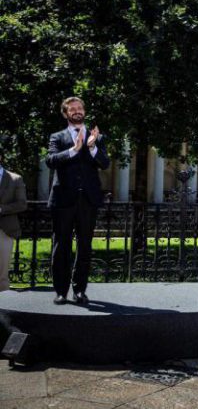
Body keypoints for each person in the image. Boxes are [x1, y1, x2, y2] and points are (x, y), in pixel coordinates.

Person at [46, 97, 110, 305]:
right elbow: (51, 160)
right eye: (72, 109)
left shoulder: (97, 138)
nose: (77, 111)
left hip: (88, 200)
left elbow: (105, 163)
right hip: (63, 199)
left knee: (85, 247)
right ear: (65, 114)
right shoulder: (57, 137)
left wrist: (91, 148)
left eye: (80, 108)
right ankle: (61, 291)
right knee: (61, 246)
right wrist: (74, 149)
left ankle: (80, 290)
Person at [0, 156, 27, 291]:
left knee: (2, 273)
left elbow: (22, 204)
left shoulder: (15, 179)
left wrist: (2, 209)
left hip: (5, 230)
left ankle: (3, 308)